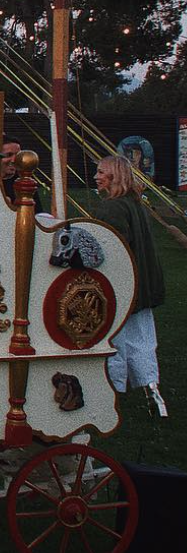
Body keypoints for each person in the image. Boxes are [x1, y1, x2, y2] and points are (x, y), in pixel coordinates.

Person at [95, 154, 167, 415]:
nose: (96, 177)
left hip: (122, 285)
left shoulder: (112, 208)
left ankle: (112, 393)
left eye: (102, 172)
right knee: (143, 340)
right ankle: (152, 391)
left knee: (113, 340)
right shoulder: (134, 203)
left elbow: (110, 249)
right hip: (143, 283)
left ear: (114, 175)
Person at [1, 140, 42, 212]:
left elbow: (37, 212)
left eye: (18, 156)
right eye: (8, 155)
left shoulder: (25, 181)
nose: (14, 160)